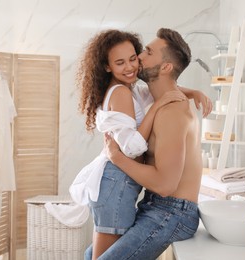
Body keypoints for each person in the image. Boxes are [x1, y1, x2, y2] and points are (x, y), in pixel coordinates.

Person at [69, 29, 210, 259]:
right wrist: (194, 91)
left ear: (165, 67)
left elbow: (165, 185)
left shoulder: (173, 111)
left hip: (174, 213)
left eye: (148, 52)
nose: (139, 58)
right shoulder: (155, 99)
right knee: (89, 255)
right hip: (154, 206)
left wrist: (118, 159)